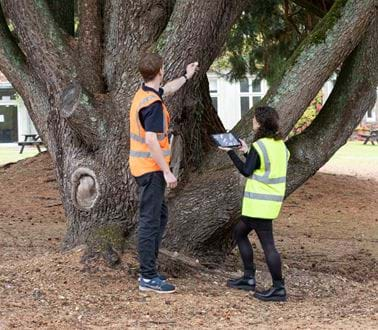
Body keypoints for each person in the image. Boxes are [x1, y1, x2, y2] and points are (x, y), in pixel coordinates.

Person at [129, 53, 198, 293]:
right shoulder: (153, 105)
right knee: (150, 222)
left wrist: (187, 77)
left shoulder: (145, 94)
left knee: (159, 217)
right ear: (161, 70)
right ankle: (148, 277)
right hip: (151, 170)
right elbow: (151, 139)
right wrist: (167, 171)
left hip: (144, 168)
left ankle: (151, 269)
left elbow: (167, 89)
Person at [218, 106, 289, 302]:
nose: (253, 121)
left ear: (260, 123)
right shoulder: (280, 146)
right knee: (239, 233)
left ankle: (279, 288)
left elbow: (247, 170)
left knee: (269, 246)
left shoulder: (260, 146)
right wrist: (246, 150)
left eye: (254, 119)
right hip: (269, 203)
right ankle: (248, 278)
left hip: (258, 204)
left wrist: (230, 152)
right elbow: (262, 166)